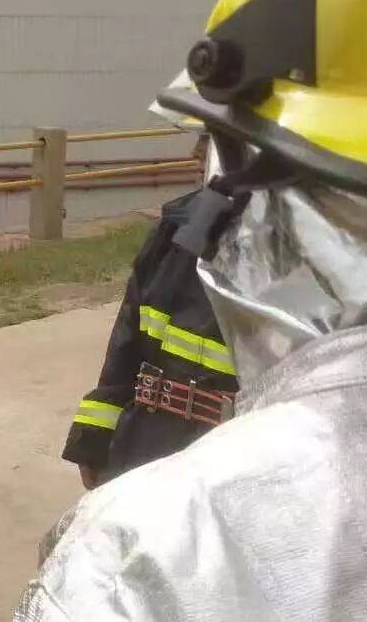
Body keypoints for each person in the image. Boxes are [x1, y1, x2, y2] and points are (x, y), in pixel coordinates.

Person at [14, 0, 367, 619]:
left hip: (223, 436)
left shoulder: (140, 559)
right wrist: (97, 433)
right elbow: (131, 336)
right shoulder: (182, 233)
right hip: (155, 435)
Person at [62, 134, 239, 490]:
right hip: (146, 446)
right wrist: (95, 435)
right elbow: (127, 343)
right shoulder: (174, 231)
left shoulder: (303, 256)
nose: (196, 154)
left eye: (210, 139)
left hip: (238, 459)